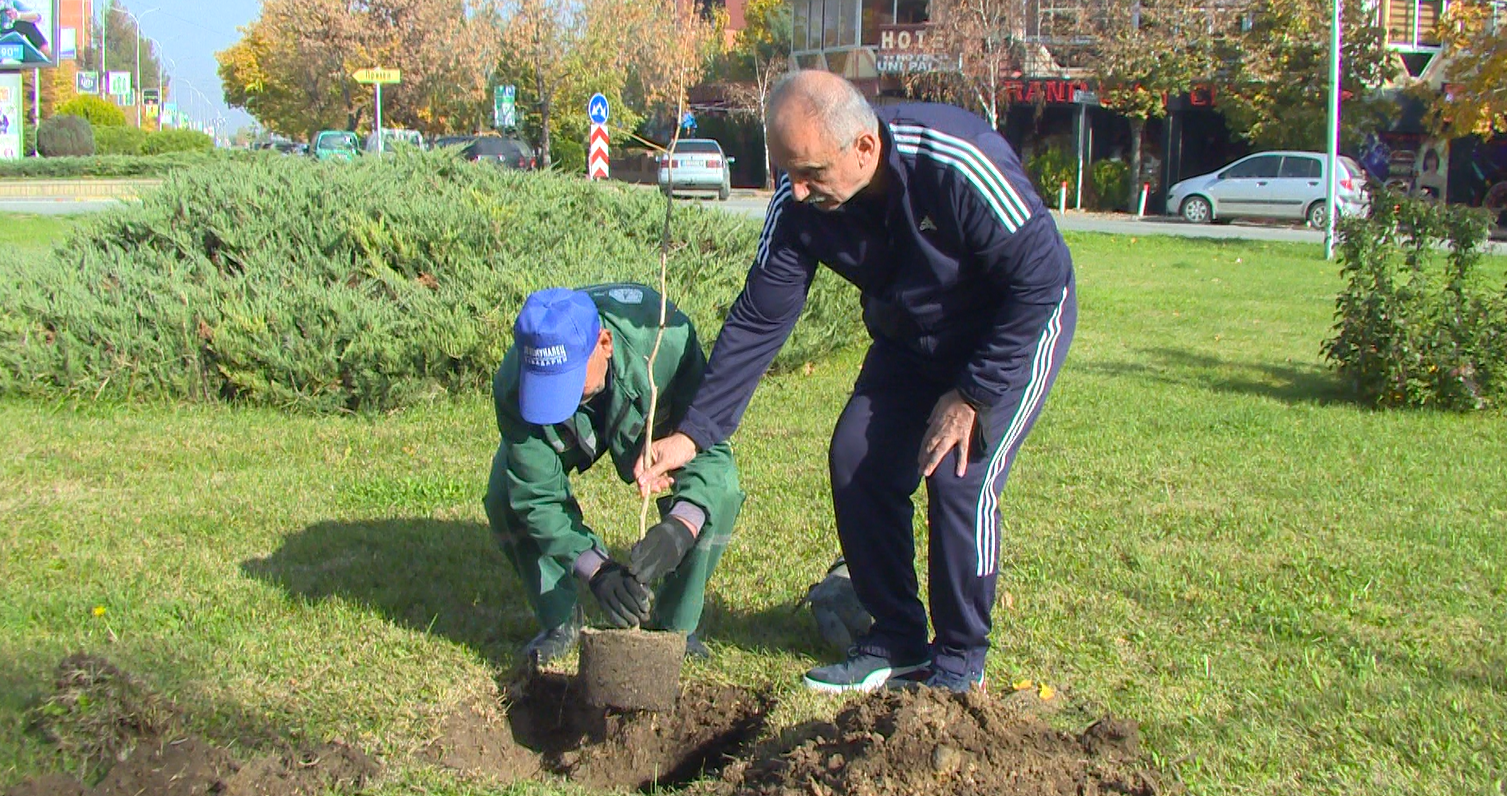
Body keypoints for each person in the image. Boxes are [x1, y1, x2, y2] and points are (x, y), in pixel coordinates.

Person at [636, 70, 1077, 693]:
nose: (796, 188)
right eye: (787, 171)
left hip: (1009, 329)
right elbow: (761, 317)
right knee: (856, 458)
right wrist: (694, 433)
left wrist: (973, 392)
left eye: (811, 171)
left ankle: (957, 660)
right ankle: (896, 636)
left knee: (958, 476)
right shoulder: (800, 205)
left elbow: (1042, 279)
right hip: (910, 338)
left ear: (864, 149)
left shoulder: (956, 160)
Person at [485, 284, 744, 666]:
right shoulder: (517, 386)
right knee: (505, 494)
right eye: (548, 387)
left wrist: (681, 527)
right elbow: (536, 494)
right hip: (585, 399)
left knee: (718, 492)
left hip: (647, 390)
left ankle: (675, 627)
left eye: (570, 382)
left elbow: (709, 451)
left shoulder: (667, 344)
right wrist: (597, 570)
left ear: (604, 343)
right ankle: (559, 619)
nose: (562, 400)